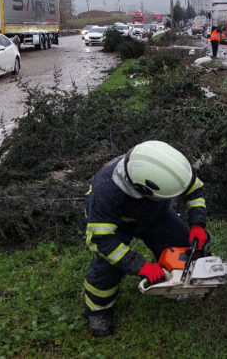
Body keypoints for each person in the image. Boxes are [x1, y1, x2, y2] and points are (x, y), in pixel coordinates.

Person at [81, 140, 209, 337]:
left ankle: (177, 284)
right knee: (108, 268)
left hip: (156, 215)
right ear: (144, 189)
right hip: (118, 225)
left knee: (185, 247)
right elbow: (102, 241)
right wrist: (140, 266)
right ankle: (98, 310)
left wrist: (198, 225)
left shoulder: (171, 167)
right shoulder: (106, 191)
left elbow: (195, 189)